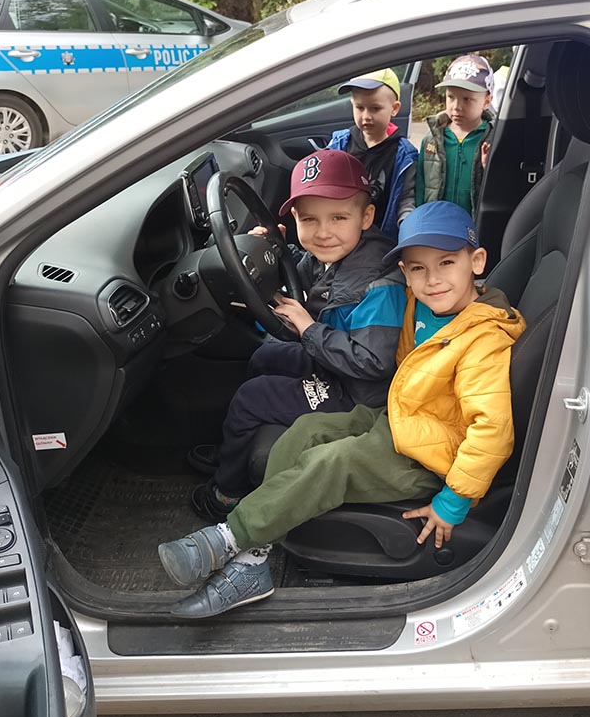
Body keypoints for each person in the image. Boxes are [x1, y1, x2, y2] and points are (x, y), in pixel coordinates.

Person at [159, 201, 526, 617]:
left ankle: (231, 538)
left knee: (333, 461)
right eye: (418, 268)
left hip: (434, 457)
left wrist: (453, 502)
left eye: (446, 263)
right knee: (304, 433)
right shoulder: (422, 304)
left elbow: (492, 428)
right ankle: (255, 559)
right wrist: (277, 249)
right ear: (405, 274)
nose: (433, 279)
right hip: (401, 422)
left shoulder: (483, 340)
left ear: (476, 262)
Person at [188, 147, 407, 524]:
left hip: (359, 395)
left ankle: (228, 492)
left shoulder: (379, 284)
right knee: (263, 357)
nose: (323, 232)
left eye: (338, 217)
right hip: (334, 362)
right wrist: (275, 249)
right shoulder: (339, 252)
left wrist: (309, 329)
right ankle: (234, 450)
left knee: (251, 398)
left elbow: (373, 362)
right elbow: (306, 274)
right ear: (294, 218)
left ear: (367, 216)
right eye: (309, 220)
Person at [329, 68, 417, 234]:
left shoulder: (405, 155)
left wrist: (407, 228)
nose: (366, 116)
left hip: (380, 236)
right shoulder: (340, 143)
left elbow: (406, 198)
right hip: (340, 231)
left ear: (394, 108)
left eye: (375, 108)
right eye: (360, 107)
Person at [415, 54, 495, 213]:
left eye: (467, 99)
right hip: (436, 221)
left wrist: (490, 169)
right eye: (451, 97)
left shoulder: (493, 139)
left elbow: (502, 191)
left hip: (475, 224)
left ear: (487, 101)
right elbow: (420, 187)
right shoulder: (432, 139)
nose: (456, 106)